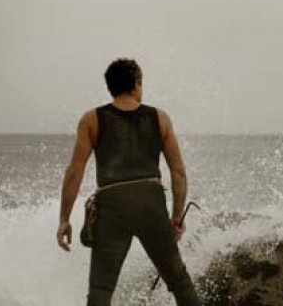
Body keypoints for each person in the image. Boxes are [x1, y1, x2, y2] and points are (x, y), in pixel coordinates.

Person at [55, 58, 201, 305]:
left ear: (111, 86)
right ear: (136, 84)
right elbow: (178, 173)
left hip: (112, 207)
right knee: (179, 281)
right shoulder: (160, 118)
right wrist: (176, 217)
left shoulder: (92, 119)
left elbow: (74, 173)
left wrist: (64, 220)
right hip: (151, 205)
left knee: (101, 290)